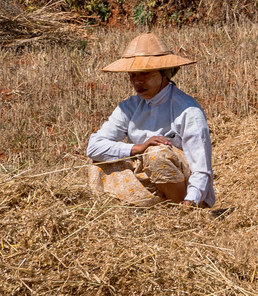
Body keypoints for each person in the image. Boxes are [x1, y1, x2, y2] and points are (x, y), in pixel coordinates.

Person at [87, 33, 214, 208]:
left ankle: (181, 208)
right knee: (99, 165)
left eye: (145, 74)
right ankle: (154, 206)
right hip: (147, 177)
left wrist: (192, 198)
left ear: (165, 73)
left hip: (185, 188)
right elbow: (94, 147)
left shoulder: (188, 110)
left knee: (156, 154)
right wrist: (137, 148)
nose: (137, 81)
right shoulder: (129, 107)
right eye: (132, 75)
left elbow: (201, 168)